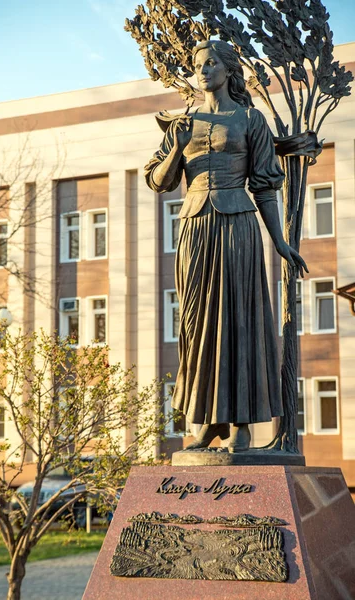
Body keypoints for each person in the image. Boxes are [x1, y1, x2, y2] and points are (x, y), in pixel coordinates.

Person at [145, 40, 308, 452]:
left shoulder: (249, 119)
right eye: (197, 64)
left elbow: (266, 187)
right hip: (196, 229)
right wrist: (177, 145)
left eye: (211, 62)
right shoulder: (182, 123)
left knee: (241, 320)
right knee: (198, 324)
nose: (202, 69)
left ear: (228, 70)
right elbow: (160, 182)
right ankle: (207, 420)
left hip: (238, 226)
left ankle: (242, 425)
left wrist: (280, 242)